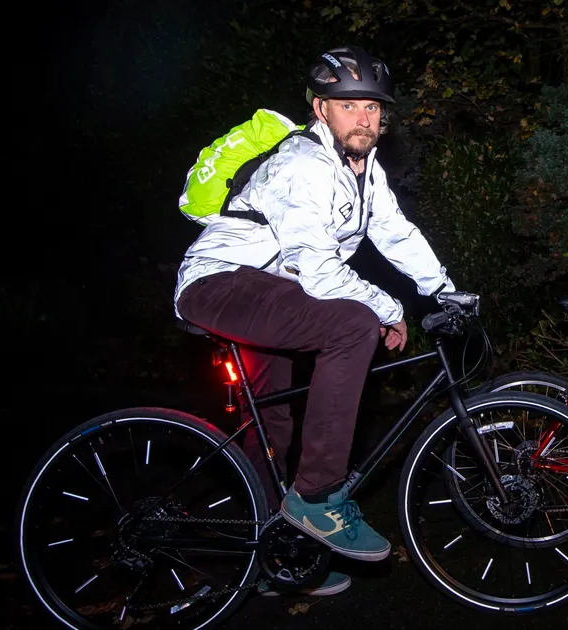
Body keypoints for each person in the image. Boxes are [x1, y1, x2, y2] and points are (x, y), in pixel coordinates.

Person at [173, 45, 456, 595]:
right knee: (351, 324)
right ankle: (318, 497)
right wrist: (389, 307)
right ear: (321, 108)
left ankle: (272, 561)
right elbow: (319, 270)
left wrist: (445, 290)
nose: (365, 118)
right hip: (222, 281)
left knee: (272, 425)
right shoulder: (303, 164)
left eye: (373, 109)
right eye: (349, 106)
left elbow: (395, 232)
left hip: (269, 289)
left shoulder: (363, 170)